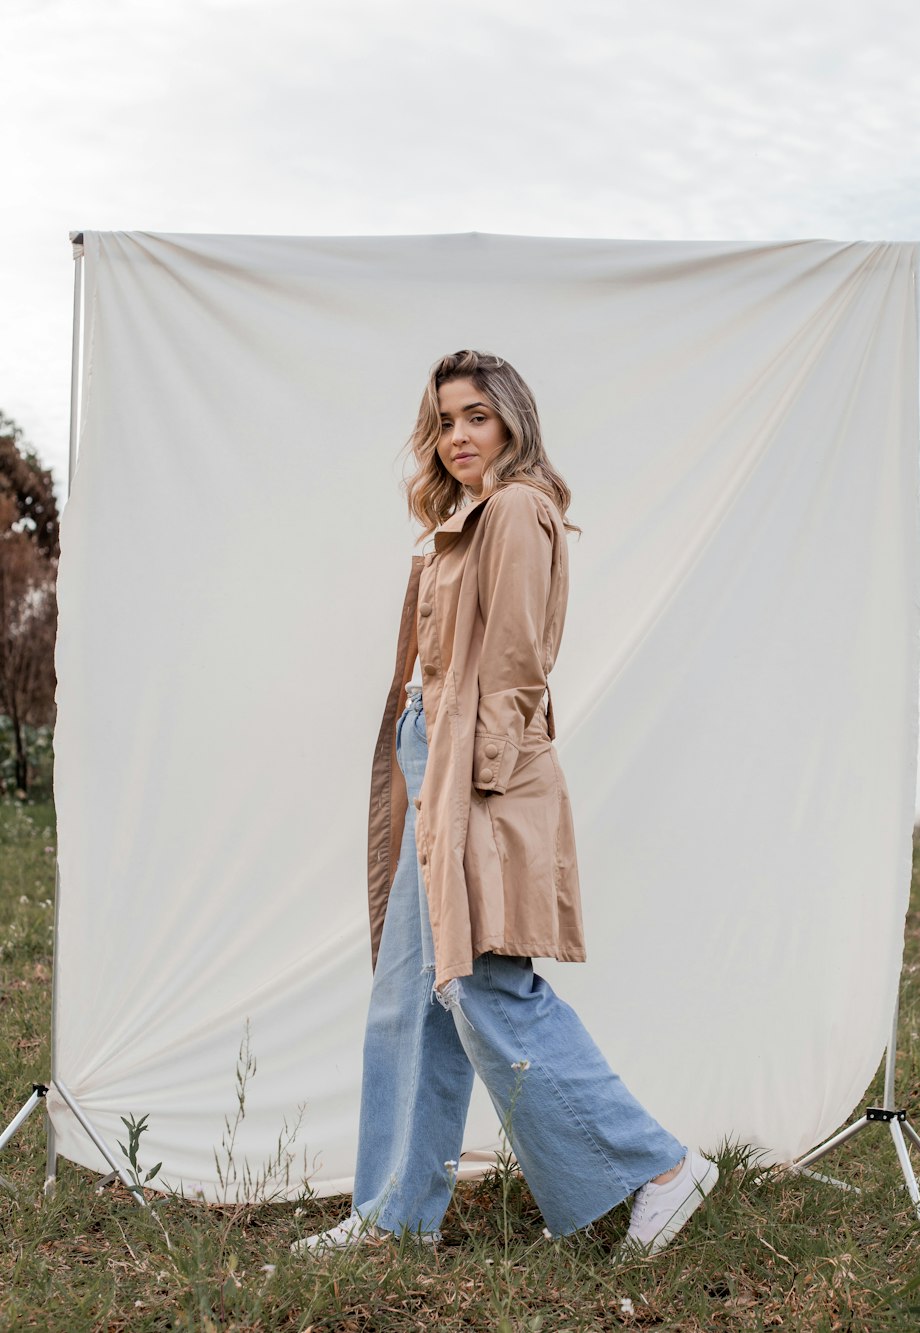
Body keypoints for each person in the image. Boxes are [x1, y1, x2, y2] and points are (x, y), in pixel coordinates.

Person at [295, 350, 717, 1257]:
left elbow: (520, 658)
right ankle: (391, 1218)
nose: (457, 436)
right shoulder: (466, 516)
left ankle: (660, 1165)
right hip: (433, 752)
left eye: (476, 416)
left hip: (475, 768)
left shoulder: (519, 508)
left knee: (485, 981)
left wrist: (477, 783)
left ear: (513, 421)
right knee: (410, 997)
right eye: (445, 420)